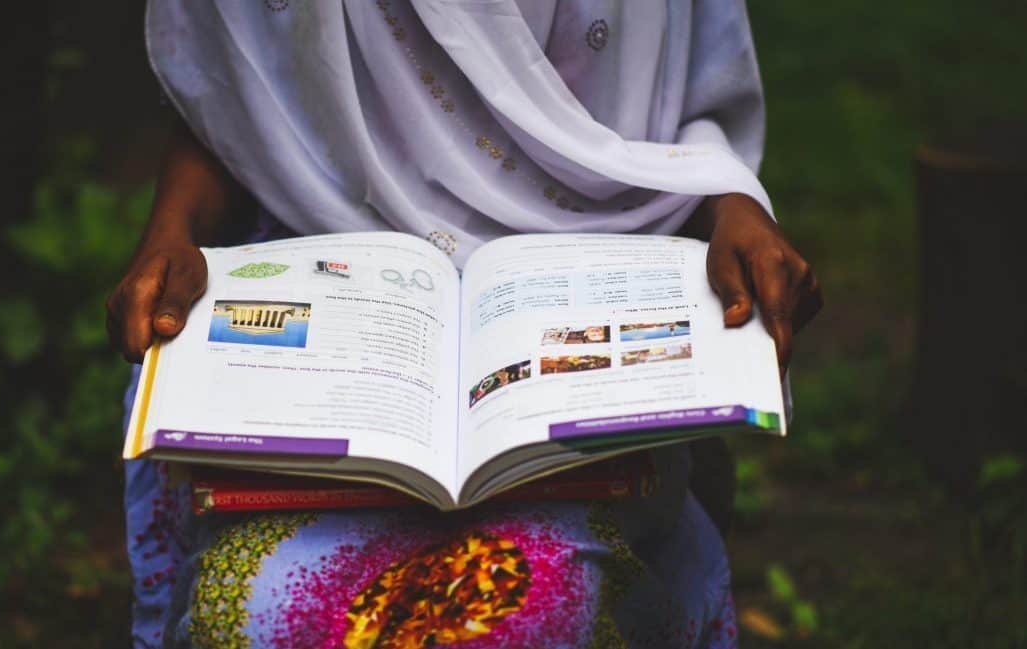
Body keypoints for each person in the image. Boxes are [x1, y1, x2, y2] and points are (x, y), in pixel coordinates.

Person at [107, 1, 821, 647]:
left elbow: (686, 98)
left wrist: (733, 208)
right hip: (328, 274)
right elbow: (238, 92)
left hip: (587, 320)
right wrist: (172, 230)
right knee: (256, 613)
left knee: (529, 612)